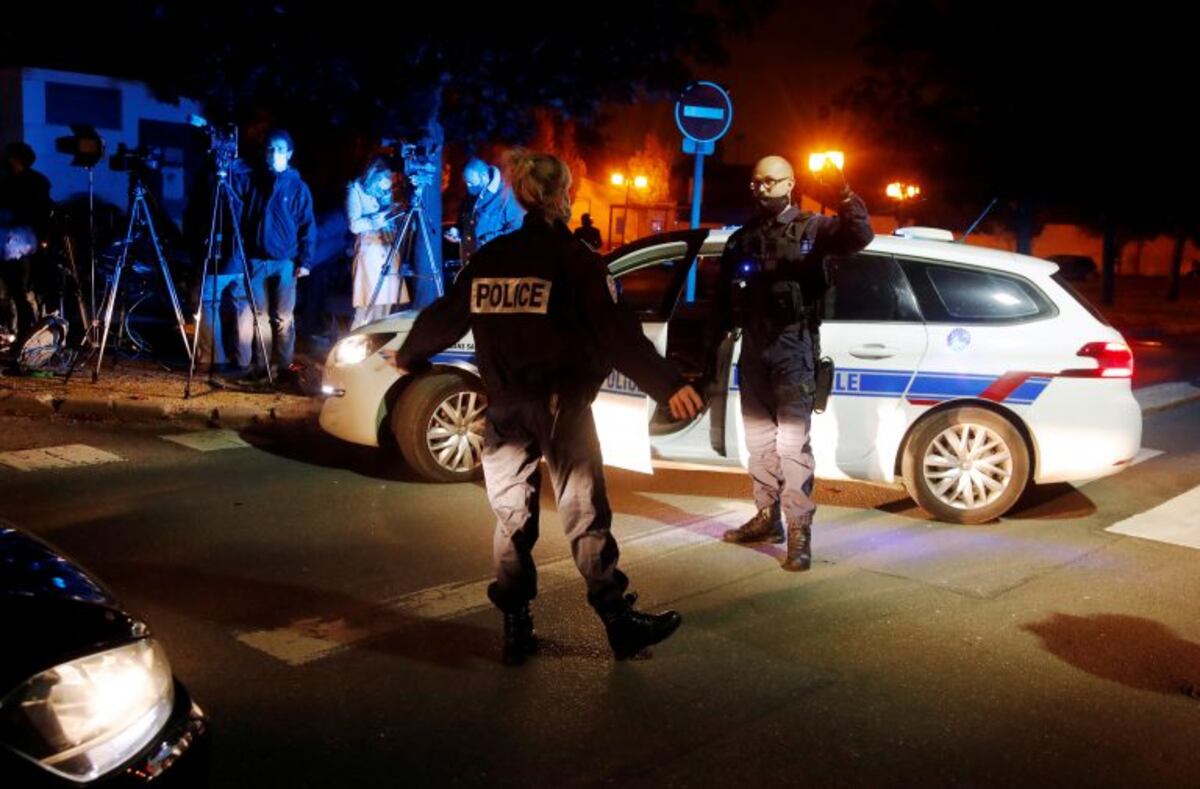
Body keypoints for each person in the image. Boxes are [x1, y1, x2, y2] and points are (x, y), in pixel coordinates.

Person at [389, 149, 704, 664]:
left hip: (505, 410)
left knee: (512, 518)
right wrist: (667, 384)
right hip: (562, 409)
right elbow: (617, 334)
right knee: (584, 515)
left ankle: (516, 625)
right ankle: (618, 620)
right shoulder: (577, 261)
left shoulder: (489, 260)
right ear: (563, 195)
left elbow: (447, 314)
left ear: (518, 195)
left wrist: (410, 354)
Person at [711, 155, 873, 571]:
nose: (762, 188)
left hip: (793, 344)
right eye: (756, 181)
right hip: (754, 346)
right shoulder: (742, 237)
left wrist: (842, 191)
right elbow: (721, 300)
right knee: (759, 440)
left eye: (770, 181)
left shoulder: (815, 229)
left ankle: (799, 530)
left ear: (790, 183)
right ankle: (767, 517)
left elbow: (860, 234)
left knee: (791, 445)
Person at [228, 129, 317, 384]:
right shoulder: (256, 181)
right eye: (270, 149)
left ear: (289, 153)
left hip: (286, 261)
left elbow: (307, 225)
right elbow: (240, 205)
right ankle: (263, 366)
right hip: (257, 259)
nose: (274, 154)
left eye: (279, 149)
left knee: (284, 318)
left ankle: (284, 367)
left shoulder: (298, 187)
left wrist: (306, 261)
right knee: (260, 316)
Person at [347, 159, 408, 328]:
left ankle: (379, 344)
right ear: (374, 174)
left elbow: (390, 217)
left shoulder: (386, 190)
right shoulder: (356, 189)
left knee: (386, 305)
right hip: (369, 250)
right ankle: (355, 346)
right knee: (367, 304)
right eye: (384, 177)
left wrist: (396, 213)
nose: (387, 181)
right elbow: (354, 224)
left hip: (388, 248)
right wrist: (377, 220)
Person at [444, 157, 524, 265]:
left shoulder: (507, 196)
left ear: (484, 177)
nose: (468, 187)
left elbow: (517, 230)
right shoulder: (473, 191)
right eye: (466, 182)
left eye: (471, 183)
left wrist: (487, 240)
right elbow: (465, 219)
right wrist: (457, 231)